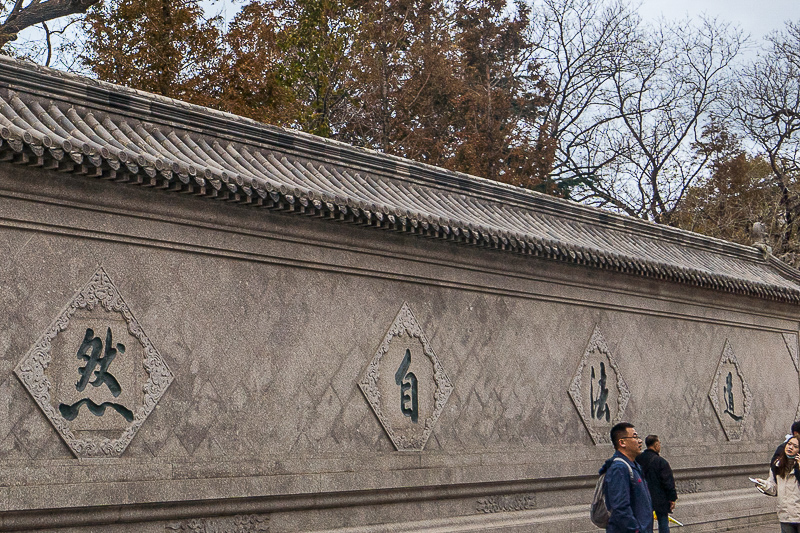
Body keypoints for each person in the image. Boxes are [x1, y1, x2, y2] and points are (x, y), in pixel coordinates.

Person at [599, 422, 653, 533]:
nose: (640, 441)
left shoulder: (634, 466)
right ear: (622, 442)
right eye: (635, 437)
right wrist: (635, 530)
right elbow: (620, 507)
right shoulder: (619, 468)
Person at [754, 436, 800, 533]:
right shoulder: (777, 465)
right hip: (786, 515)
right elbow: (774, 488)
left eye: (795, 446)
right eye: (789, 444)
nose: (790, 447)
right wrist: (763, 484)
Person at [636, 435, 678, 533]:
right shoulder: (661, 462)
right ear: (655, 445)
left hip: (642, 497)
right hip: (660, 499)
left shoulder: (638, 459)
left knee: (645, 523)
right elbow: (668, 482)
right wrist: (672, 498)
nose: (660, 446)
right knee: (663, 522)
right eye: (659, 443)